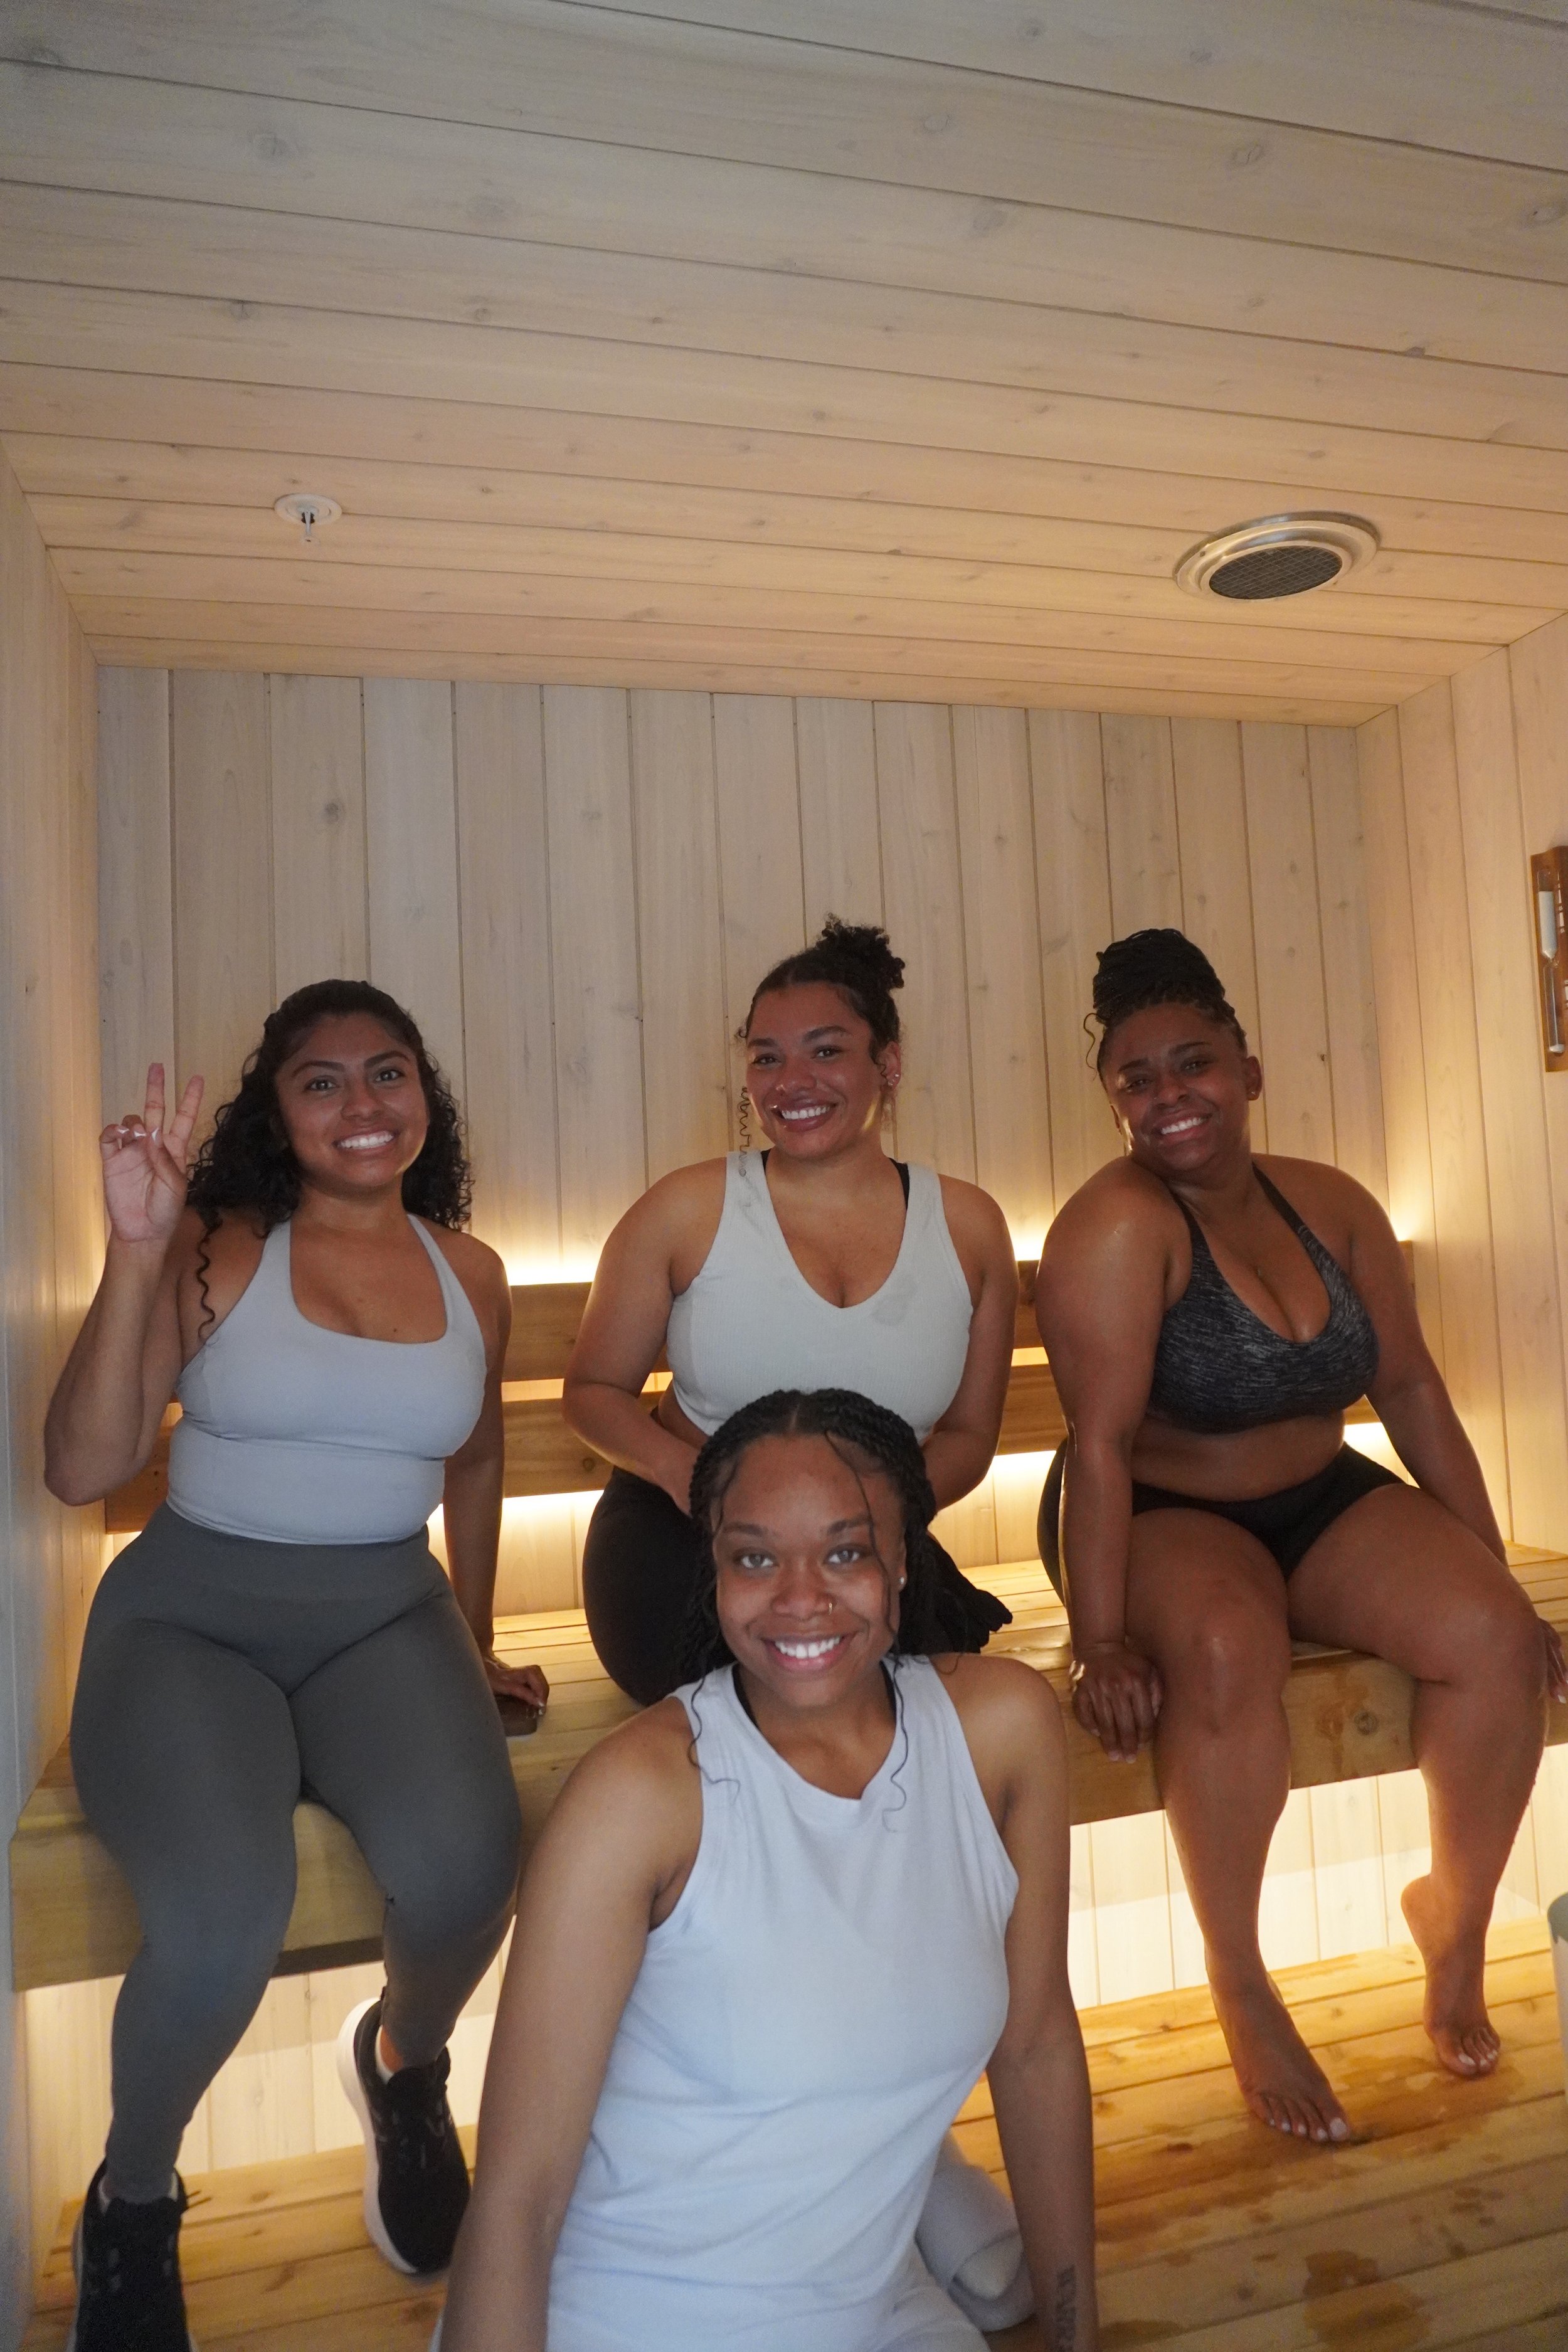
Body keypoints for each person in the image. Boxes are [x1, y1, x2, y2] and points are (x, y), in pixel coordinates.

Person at [45, 979, 549, 2352]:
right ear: (277, 1113)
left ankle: (401, 2063)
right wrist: (135, 1250)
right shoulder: (216, 1249)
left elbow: (478, 1454)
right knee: (221, 1925)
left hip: (386, 1613)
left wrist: (481, 1634)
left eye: (387, 1073)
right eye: (320, 1081)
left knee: (467, 1866)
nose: (360, 1103)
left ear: (422, 1101)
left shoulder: (473, 1273)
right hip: (190, 1620)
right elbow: (85, 1464)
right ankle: (133, 2202)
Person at [1036, 928, 1567, 2147]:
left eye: (1192, 1064)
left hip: (1317, 1490)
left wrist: (1495, 1575)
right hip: (1158, 1509)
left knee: (1491, 1638)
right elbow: (1102, 1449)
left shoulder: (1330, 1203)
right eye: (1135, 1079)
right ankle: (1238, 1980)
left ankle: (1455, 1917)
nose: (1168, 1096)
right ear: (1111, 1101)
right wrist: (1098, 1638)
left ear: (1246, 1069)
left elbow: (1413, 1393)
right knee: (1227, 1650)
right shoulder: (1114, 1230)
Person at [438, 1389, 1098, 2352]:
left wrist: (1080, 2339)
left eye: (845, 1550)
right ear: (713, 1572)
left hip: (871, 2309)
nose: (800, 1596)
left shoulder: (1003, 1732)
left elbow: (1036, 2048)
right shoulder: (641, 1796)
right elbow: (517, 2202)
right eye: (755, 1556)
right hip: (628, 2317)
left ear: (905, 1559)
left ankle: (935, 2221)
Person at [563, 918, 1019, 1710]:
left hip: (873, 1545)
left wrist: (871, 1527)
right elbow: (593, 1392)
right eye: (766, 1058)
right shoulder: (685, 1209)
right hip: (686, 1533)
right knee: (762, 1707)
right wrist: (694, 1480)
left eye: (826, 1050)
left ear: (889, 1064)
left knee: (918, 1718)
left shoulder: (970, 1228)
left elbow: (973, 1438)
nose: (791, 1082)